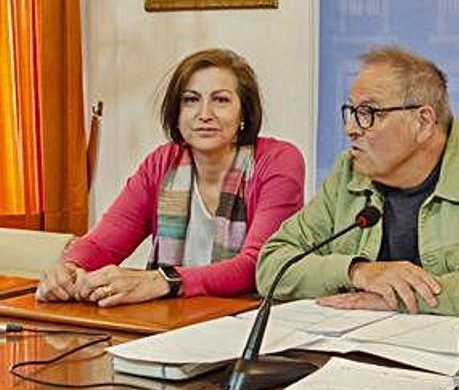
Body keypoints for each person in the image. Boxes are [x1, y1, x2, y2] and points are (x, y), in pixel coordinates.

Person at [257, 46, 459, 326]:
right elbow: (272, 265)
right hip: (356, 361)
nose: (350, 128)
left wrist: (402, 297)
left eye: (369, 114)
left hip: (454, 369)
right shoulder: (348, 172)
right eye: (351, 112)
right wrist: (358, 271)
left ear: (423, 122)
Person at [36, 49, 305, 307]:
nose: (204, 114)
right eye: (191, 100)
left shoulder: (278, 162)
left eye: (221, 100)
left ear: (244, 113)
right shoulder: (162, 163)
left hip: (248, 325)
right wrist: (68, 269)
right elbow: (102, 244)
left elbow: (259, 266)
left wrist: (164, 281)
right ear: (176, 114)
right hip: (170, 323)